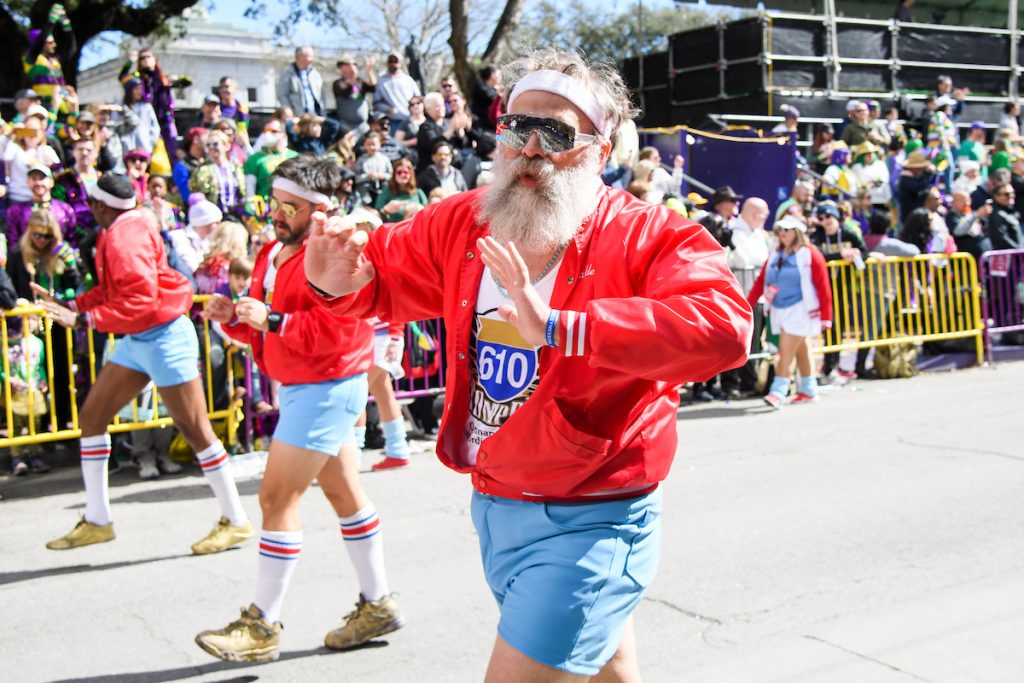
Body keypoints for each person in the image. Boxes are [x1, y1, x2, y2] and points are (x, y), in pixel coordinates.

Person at [303, 49, 751, 680]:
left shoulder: (648, 234)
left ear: (601, 148)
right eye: (517, 127)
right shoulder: (466, 220)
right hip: (496, 501)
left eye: (558, 132)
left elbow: (722, 327)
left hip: (593, 518)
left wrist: (565, 326)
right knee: (607, 672)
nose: (531, 147)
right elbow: (380, 272)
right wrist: (335, 283)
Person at [195, 156, 403, 662]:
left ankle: (261, 625)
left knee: (275, 497)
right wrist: (236, 318)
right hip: (307, 384)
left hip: (329, 384)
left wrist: (270, 322)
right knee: (344, 493)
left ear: (319, 209)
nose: (277, 214)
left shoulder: (338, 248)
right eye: (275, 203)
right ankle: (377, 603)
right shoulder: (271, 250)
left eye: (290, 206)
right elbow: (269, 320)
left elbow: (337, 328)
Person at [36, 174, 253, 554]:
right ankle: (98, 520)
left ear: (103, 206)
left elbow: (141, 298)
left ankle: (235, 520)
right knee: (92, 417)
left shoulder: (124, 237)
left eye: (92, 203)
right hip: (139, 339)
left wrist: (86, 320)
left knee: (196, 430)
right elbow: (115, 292)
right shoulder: (124, 225)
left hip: (165, 336)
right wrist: (72, 306)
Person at [748, 215, 832, 408]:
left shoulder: (810, 253)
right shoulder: (776, 253)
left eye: (787, 230)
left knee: (785, 350)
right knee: (802, 349)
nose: (783, 234)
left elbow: (822, 285)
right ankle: (809, 389)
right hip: (778, 308)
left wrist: (826, 316)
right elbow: (762, 280)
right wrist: (748, 303)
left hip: (801, 309)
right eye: (780, 230)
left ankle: (778, 390)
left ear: (798, 232)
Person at [23, 3, 76, 133]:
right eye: (50, 42)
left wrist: (65, 24)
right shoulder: (31, 59)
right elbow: (39, 42)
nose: (55, 44)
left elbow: (71, 48)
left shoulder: (54, 61)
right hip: (43, 106)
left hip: (61, 107)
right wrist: (51, 21)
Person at [190, 131, 245, 216]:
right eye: (208, 145)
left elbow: (242, 193)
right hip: (212, 216)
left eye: (215, 144)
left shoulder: (235, 168)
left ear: (226, 146)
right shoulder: (201, 170)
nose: (211, 147)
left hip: (235, 215)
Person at [243, 121, 297, 200]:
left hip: (289, 206)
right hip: (265, 206)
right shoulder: (254, 159)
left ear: (283, 135)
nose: (268, 134)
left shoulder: (295, 157)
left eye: (273, 131)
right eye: (265, 131)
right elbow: (250, 190)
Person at [374, 53, 421, 131]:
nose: (393, 63)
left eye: (396, 61)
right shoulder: (381, 81)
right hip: (393, 122)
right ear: (387, 63)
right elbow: (376, 103)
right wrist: (387, 109)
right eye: (390, 61)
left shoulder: (408, 79)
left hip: (411, 120)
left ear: (400, 63)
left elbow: (418, 98)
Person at [115, 77, 161, 157]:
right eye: (136, 89)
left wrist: (150, 143)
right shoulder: (120, 106)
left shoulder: (146, 107)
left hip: (144, 149)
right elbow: (116, 124)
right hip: (124, 150)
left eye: (140, 89)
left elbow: (155, 128)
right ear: (129, 91)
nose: (139, 92)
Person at [333, 56, 377, 137]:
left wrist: (370, 70)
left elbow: (373, 87)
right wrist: (353, 77)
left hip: (362, 126)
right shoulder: (338, 83)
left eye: (354, 64)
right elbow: (346, 91)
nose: (353, 66)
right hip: (345, 126)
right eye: (350, 64)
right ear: (342, 66)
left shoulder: (359, 82)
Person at [374, 157, 426, 223]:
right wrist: (385, 211)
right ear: (394, 175)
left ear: (411, 174)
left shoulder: (419, 193)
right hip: (393, 230)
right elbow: (375, 218)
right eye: (399, 172)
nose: (402, 175)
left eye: (406, 172)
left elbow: (427, 215)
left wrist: (420, 209)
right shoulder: (386, 193)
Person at [277, 46, 325, 116]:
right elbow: (282, 95)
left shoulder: (315, 74)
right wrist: (290, 113)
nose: (312, 59)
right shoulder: (288, 73)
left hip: (315, 116)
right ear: (300, 57)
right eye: (310, 56)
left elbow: (321, 96)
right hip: (298, 116)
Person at [985, 183, 1023, 250]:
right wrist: (1018, 251)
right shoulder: (997, 214)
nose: (1011, 196)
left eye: (1013, 193)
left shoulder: (1009, 211)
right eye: (1007, 194)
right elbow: (1001, 239)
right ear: (996, 196)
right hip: (1008, 257)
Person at [217, 77, 250, 146]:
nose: (224, 90)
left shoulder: (242, 109)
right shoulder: (215, 108)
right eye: (221, 87)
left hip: (236, 145)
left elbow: (243, 131)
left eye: (227, 86)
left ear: (235, 89)